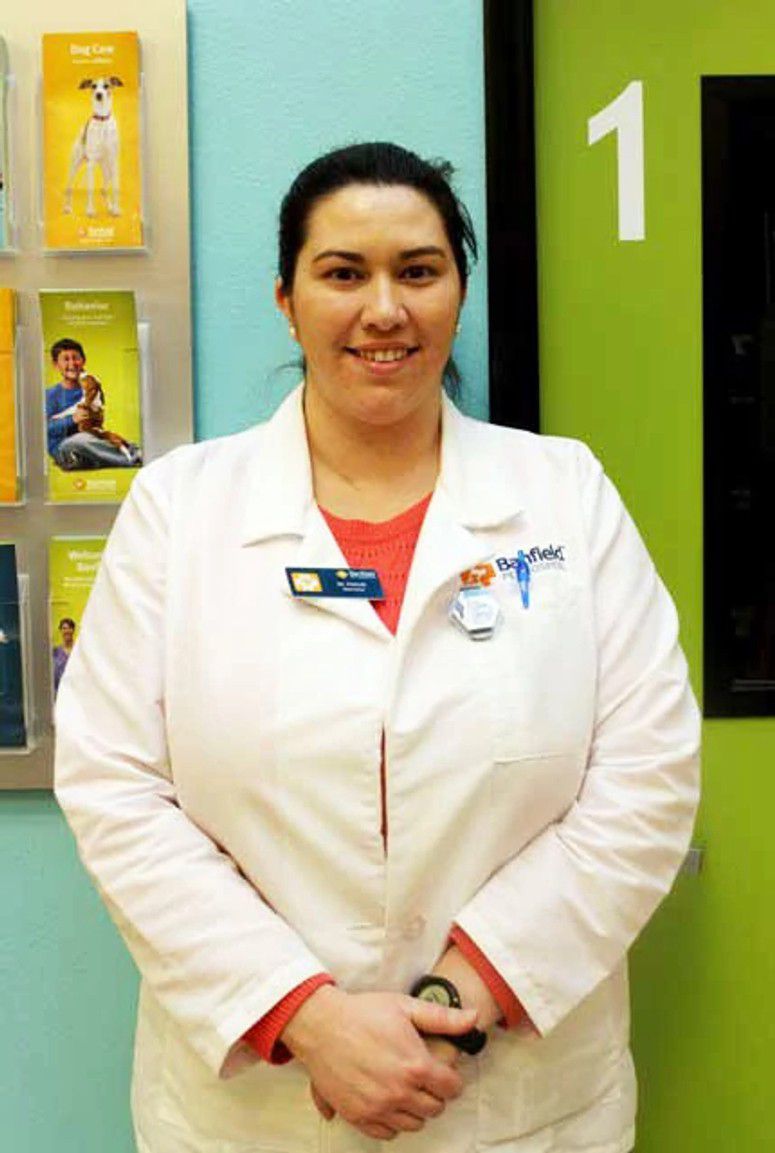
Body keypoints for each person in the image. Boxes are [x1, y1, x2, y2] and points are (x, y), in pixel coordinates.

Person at [55, 142, 700, 1153]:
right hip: (256, 1118)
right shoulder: (181, 510)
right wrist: (304, 1016)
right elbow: (114, 787)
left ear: (457, 288)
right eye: (342, 273)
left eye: (419, 269)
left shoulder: (562, 494)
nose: (383, 309)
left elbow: (646, 777)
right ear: (286, 298)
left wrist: (458, 999)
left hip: (515, 1106)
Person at [45, 337, 141, 470]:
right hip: (64, 450)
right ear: (56, 365)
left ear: (83, 360)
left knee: (106, 438)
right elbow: (43, 429)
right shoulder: (50, 395)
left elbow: (96, 419)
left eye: (76, 358)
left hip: (89, 443)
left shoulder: (91, 387)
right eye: (66, 359)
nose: (72, 363)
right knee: (79, 441)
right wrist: (72, 419)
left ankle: (132, 450)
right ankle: (131, 459)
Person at [52, 616, 76, 695]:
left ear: (73, 630)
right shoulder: (55, 652)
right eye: (64, 628)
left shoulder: (78, 650)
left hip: (76, 692)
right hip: (61, 693)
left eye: (69, 628)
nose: (67, 631)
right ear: (61, 631)